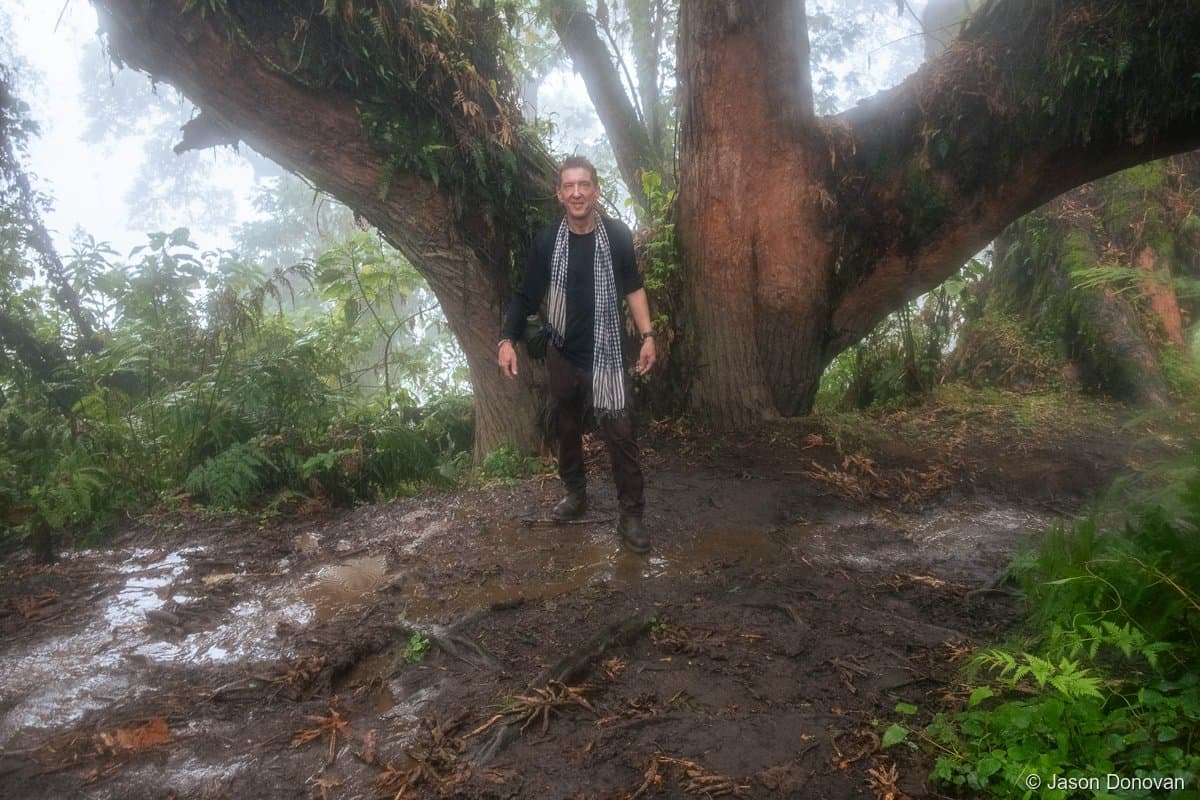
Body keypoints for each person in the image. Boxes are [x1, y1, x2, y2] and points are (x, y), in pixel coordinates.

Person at [498, 156, 657, 553]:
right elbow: (524, 295)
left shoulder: (617, 236)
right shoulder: (548, 241)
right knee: (565, 426)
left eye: (583, 184)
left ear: (596, 190)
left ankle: (632, 514)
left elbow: (634, 288)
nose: (577, 193)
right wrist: (506, 340)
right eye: (569, 186)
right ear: (559, 194)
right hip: (563, 352)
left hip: (608, 354)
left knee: (620, 434)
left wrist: (649, 335)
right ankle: (575, 492)